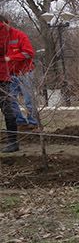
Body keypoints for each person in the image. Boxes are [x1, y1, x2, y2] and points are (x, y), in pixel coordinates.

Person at [1, 16, 37, 129]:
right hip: (10, 74)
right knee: (10, 100)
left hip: (24, 72)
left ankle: (33, 123)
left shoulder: (19, 35)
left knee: (28, 99)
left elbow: (29, 53)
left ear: (7, 23)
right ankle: (20, 122)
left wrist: (11, 58)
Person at [0, 15, 19, 152]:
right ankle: (13, 141)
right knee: (7, 109)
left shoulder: (4, 31)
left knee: (7, 109)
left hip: (1, 76)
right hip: (3, 75)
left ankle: (13, 142)